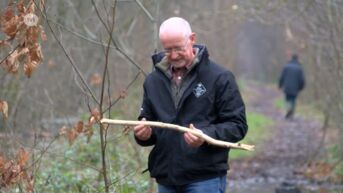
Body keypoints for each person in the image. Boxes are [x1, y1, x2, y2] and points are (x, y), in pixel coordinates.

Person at [133, 17, 248, 193]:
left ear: (192, 39)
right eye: (167, 49)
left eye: (178, 48)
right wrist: (144, 134)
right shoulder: (153, 81)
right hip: (166, 177)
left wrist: (205, 135)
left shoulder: (219, 77)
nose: (173, 55)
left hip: (205, 177)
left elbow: (237, 126)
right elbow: (149, 122)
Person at [278, 54, 305, 119]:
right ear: (297, 59)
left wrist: (280, 85)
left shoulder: (286, 67)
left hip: (287, 87)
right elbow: (302, 80)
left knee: (287, 99)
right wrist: (301, 87)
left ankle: (288, 110)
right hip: (295, 88)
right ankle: (291, 112)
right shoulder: (299, 68)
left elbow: (282, 77)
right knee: (293, 100)